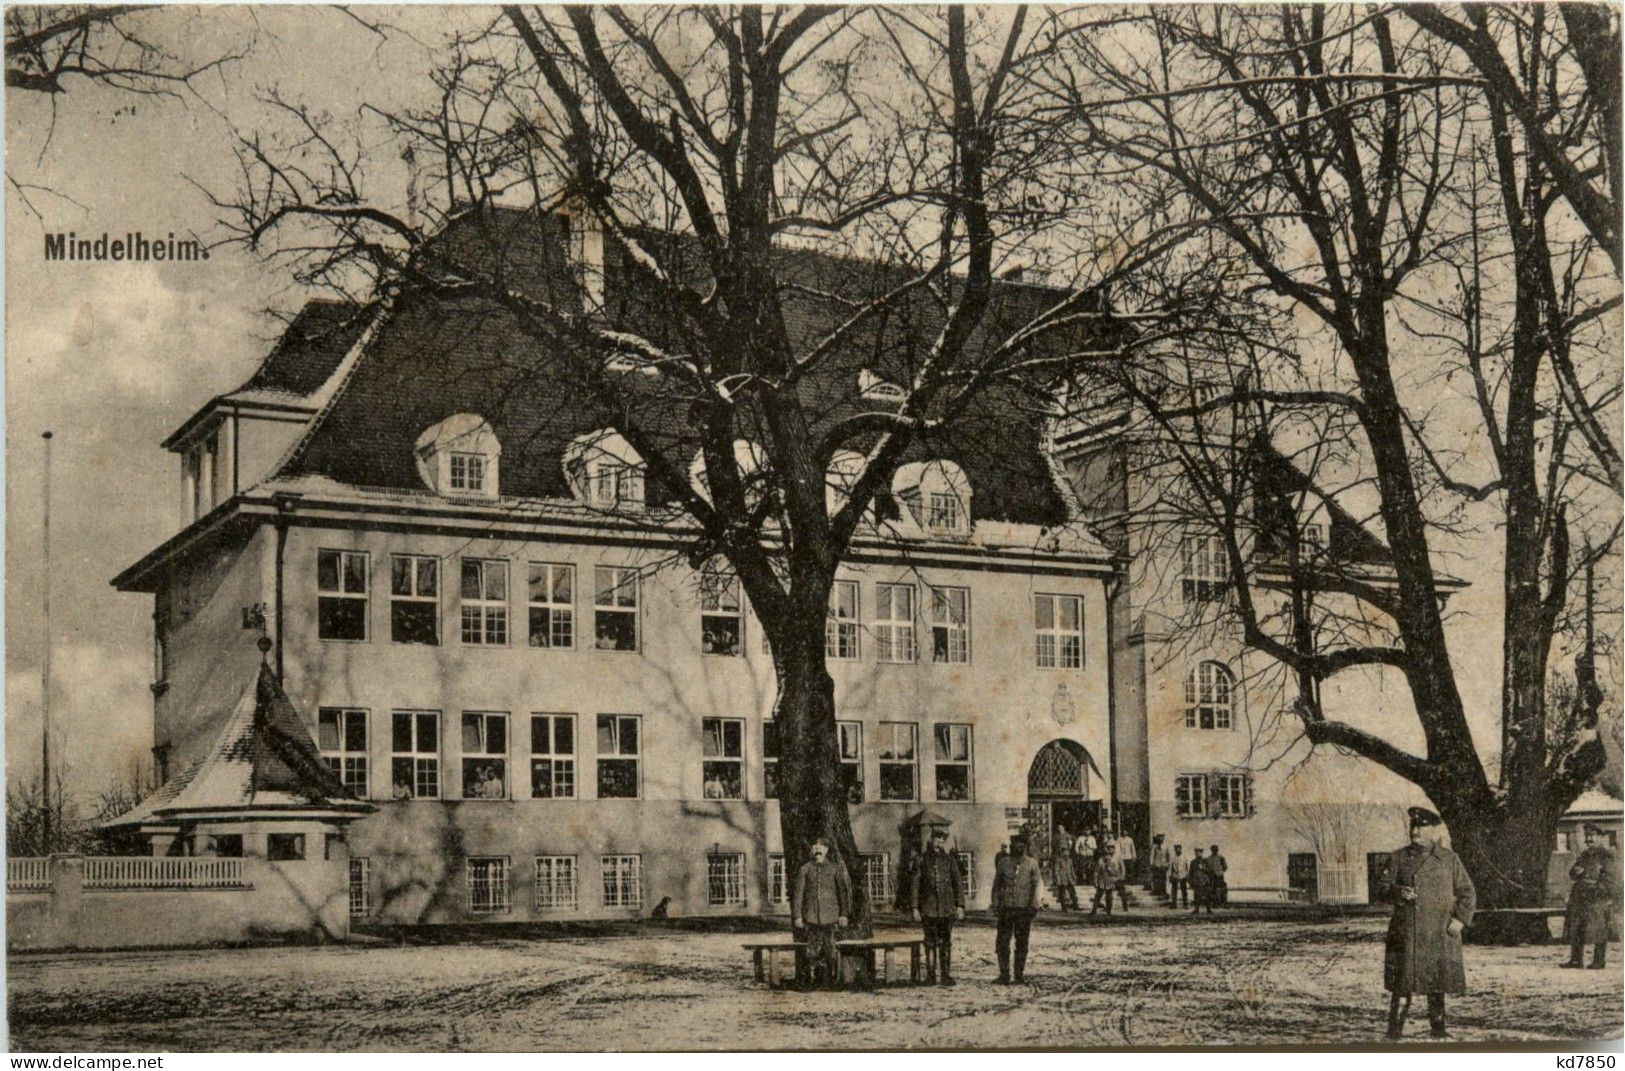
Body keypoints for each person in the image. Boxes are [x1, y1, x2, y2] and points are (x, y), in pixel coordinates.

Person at [1376, 806, 1476, 1040]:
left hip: (1438, 931)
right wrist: (1398, 892)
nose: (1415, 830)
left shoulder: (1449, 859)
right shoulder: (1398, 858)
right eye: (1413, 826)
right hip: (1407, 932)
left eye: (1421, 826)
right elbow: (1381, 889)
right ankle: (1394, 1033)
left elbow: (1467, 892)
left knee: (1437, 983)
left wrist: (1460, 920)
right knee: (1402, 984)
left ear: (1433, 830)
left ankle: (1438, 1030)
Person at [793, 837, 852, 990]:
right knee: (812, 950)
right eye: (815, 848)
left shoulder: (834, 869)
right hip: (811, 917)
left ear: (826, 850)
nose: (818, 851)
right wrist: (797, 916)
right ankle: (813, 981)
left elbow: (842, 894)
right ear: (811, 851)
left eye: (821, 848)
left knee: (830, 950)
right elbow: (798, 894)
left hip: (831, 917)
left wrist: (844, 914)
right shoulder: (805, 869)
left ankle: (829, 981)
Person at [911, 827, 966, 984]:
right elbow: (915, 885)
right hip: (928, 909)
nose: (939, 843)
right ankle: (930, 975)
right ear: (931, 840)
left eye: (942, 841)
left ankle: (945, 975)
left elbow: (958, 884)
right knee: (929, 942)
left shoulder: (950, 860)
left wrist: (960, 905)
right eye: (936, 840)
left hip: (946, 909)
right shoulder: (922, 860)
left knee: (945, 942)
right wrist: (915, 907)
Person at [1562, 823, 1620, 970]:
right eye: (1587, 836)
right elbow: (1572, 874)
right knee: (1576, 927)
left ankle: (1599, 961)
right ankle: (1576, 960)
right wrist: (1576, 871)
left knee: (1598, 928)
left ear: (1601, 837)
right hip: (1580, 896)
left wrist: (1598, 890)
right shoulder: (1584, 854)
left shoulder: (1606, 856)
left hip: (1597, 897)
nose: (1589, 839)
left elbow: (1612, 879)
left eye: (1592, 836)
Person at [992, 834, 1041, 984]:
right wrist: (995, 904)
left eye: (1022, 844)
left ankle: (1019, 975)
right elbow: (996, 887)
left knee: (1021, 943)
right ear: (1011, 846)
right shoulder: (1003, 863)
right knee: (1002, 942)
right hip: (1006, 909)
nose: (1019, 847)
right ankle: (1004, 974)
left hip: (1023, 910)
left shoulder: (1032, 864)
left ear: (1025, 847)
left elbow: (1037, 887)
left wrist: (1034, 906)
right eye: (1016, 844)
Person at [1091, 841, 1126, 915]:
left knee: (1109, 897)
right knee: (1098, 896)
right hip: (1102, 881)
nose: (1107, 856)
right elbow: (1096, 871)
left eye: (1108, 855)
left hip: (1111, 881)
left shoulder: (1114, 860)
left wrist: (1112, 871)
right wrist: (1095, 880)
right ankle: (1093, 911)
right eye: (1105, 854)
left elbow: (1117, 871)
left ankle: (1109, 911)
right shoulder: (1101, 860)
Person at [1052, 825, 1079, 910]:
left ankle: (1076, 906)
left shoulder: (1070, 860)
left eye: (1061, 828)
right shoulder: (1058, 860)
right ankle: (1064, 907)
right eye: (1064, 852)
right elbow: (1056, 870)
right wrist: (1058, 880)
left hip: (1069, 878)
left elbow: (1072, 870)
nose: (1066, 853)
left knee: (1073, 893)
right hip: (1062, 879)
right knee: (1062, 893)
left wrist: (1074, 878)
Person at [1189, 847, 1214, 914]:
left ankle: (1208, 909)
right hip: (1197, 881)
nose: (1197, 854)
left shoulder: (1206, 861)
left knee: (1207, 895)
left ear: (1202, 853)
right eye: (1196, 852)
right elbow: (1190, 873)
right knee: (1196, 896)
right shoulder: (1193, 862)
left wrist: (1203, 868)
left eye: (1199, 852)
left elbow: (1210, 870)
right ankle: (1196, 909)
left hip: (1205, 881)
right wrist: (1191, 882)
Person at [1167, 844, 1190, 908]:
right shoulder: (1173, 857)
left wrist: (1187, 875)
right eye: (1176, 849)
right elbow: (1170, 867)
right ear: (1175, 850)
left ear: (1181, 849)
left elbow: (1187, 866)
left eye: (1179, 848)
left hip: (1183, 875)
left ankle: (1185, 904)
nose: (1177, 850)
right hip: (1175, 875)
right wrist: (1170, 876)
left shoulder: (1184, 857)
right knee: (1174, 890)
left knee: (1184, 890)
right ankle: (1174, 904)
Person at [1148, 834, 1170, 901]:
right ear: (1157, 838)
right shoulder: (1154, 846)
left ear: (1164, 838)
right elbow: (1152, 855)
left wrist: (1168, 864)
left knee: (1163, 879)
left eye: (1162, 837)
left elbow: (1168, 855)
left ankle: (1163, 892)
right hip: (1156, 864)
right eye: (1159, 837)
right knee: (1157, 878)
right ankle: (1157, 891)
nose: (1161, 838)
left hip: (1163, 864)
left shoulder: (1166, 846)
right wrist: (1151, 864)